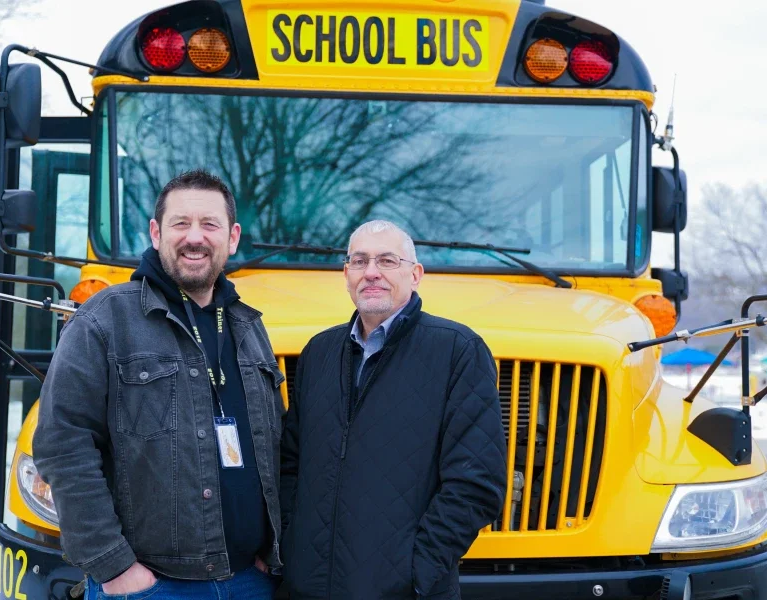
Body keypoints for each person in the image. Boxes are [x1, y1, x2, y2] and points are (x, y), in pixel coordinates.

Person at [34, 169, 285, 600]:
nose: (195, 237)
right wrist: (114, 567)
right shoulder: (104, 320)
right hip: (152, 587)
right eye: (180, 223)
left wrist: (273, 547)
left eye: (209, 224)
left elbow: (274, 447)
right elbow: (63, 442)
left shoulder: (249, 326)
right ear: (156, 232)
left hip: (251, 581)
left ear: (233, 237)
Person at [280, 220, 507, 599]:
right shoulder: (318, 353)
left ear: (415, 274)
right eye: (359, 261)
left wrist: (418, 572)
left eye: (387, 260)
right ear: (346, 273)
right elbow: (290, 463)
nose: (371, 272)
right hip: (308, 588)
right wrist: (293, 547)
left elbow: (476, 483)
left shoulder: (457, 351)